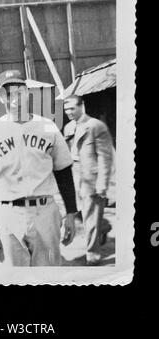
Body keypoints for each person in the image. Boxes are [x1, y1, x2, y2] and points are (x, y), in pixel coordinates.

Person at [0, 69, 78, 266]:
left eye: (19, 92)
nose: (14, 99)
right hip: (6, 215)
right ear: (1, 98)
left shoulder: (47, 126)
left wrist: (71, 213)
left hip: (45, 212)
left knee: (49, 276)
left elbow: (64, 172)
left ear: (27, 93)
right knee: (11, 277)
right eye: (7, 94)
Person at [63, 95, 114, 265]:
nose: (69, 112)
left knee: (91, 220)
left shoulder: (96, 126)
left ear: (81, 106)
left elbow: (105, 157)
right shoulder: (69, 127)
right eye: (66, 109)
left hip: (92, 179)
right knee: (81, 216)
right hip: (76, 178)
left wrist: (102, 183)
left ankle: (93, 255)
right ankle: (104, 228)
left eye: (72, 108)